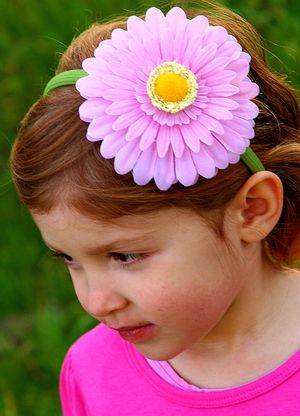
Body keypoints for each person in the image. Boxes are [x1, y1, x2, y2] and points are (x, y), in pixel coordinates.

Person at [10, 1, 300, 414]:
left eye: (125, 255)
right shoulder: (92, 370)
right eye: (69, 259)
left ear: (252, 211)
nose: (95, 303)